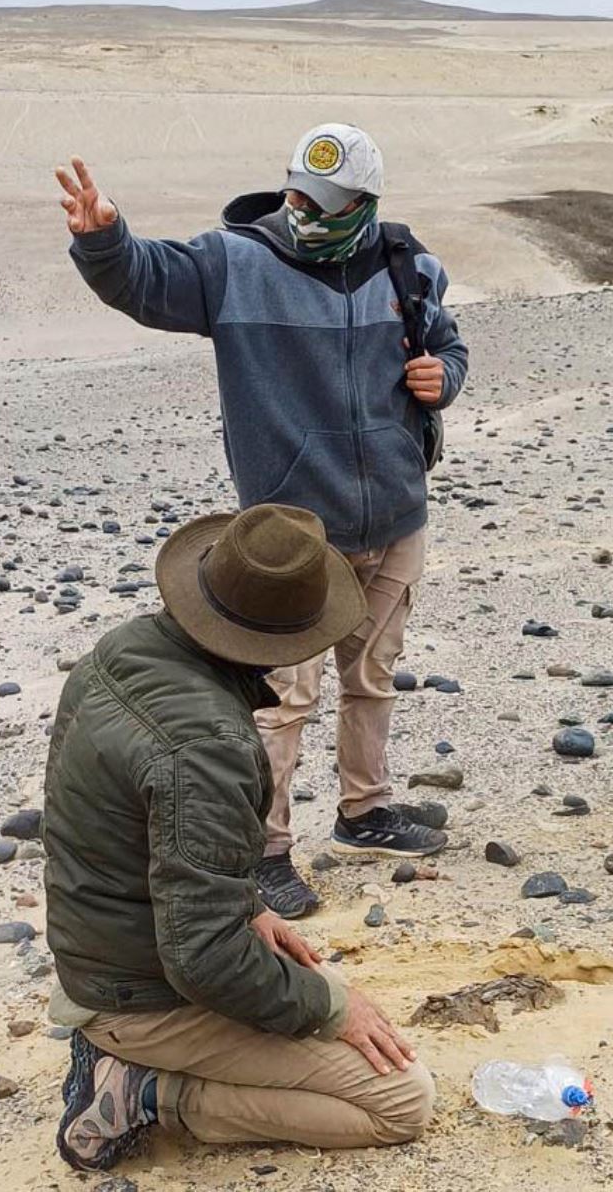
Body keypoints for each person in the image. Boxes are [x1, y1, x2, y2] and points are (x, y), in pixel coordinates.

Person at [57, 123, 469, 919]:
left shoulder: (409, 267)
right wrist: (106, 240)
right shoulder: (235, 263)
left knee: (373, 677)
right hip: (293, 540)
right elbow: (146, 281)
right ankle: (267, 853)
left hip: (397, 514)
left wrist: (439, 377)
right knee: (283, 699)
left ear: (364, 204)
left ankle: (365, 811)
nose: (304, 210)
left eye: (326, 203)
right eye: (296, 194)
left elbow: (449, 346)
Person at [43, 504, 435, 1173]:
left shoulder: (129, 648)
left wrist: (248, 906)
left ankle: (134, 1059)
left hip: (106, 955)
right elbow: (202, 959)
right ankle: (145, 1092)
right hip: (138, 995)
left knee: (319, 990)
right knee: (400, 1099)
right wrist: (330, 1010)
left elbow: (141, 831)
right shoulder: (206, 743)